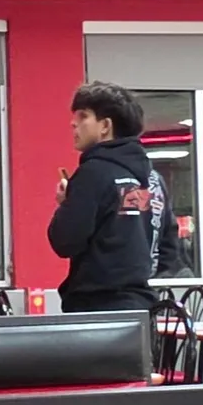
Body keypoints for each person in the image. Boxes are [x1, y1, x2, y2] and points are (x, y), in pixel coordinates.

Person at [48, 81, 162, 313]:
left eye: (83, 116)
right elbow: (167, 245)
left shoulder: (93, 173)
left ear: (105, 126)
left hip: (97, 310)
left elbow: (65, 241)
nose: (73, 123)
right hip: (141, 306)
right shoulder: (150, 179)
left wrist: (66, 205)